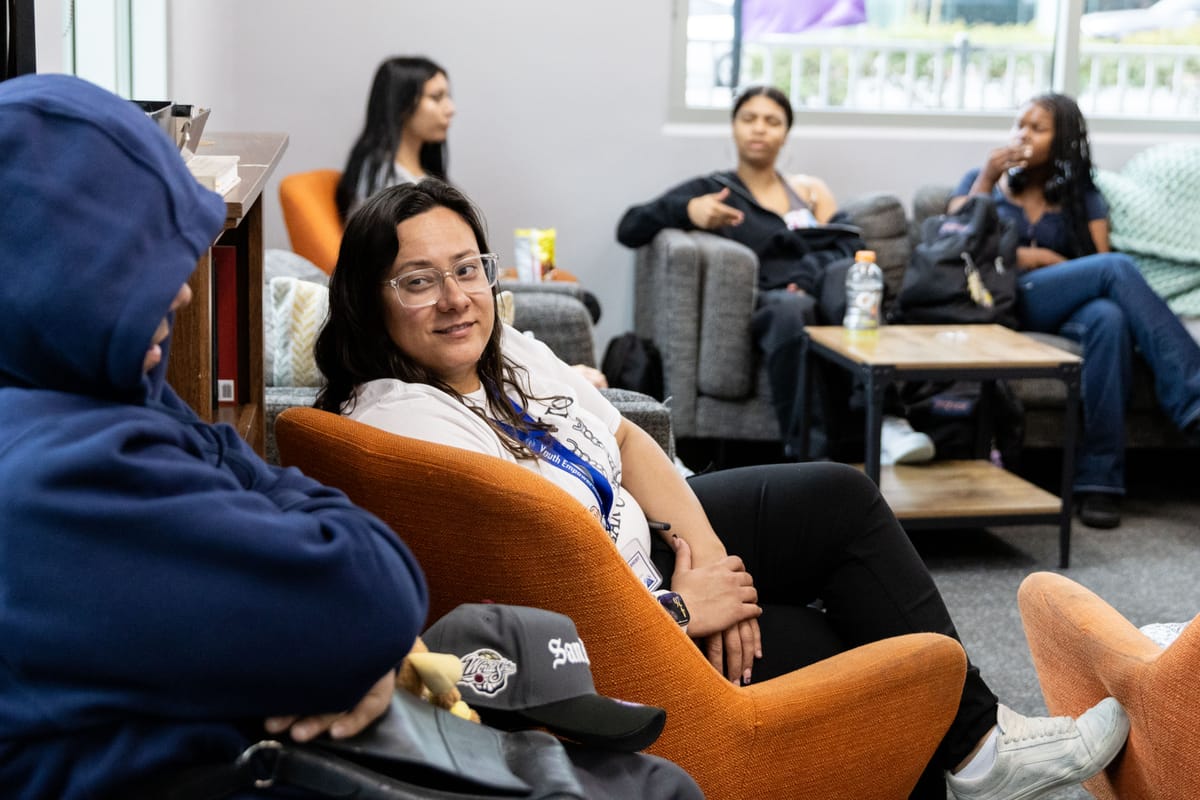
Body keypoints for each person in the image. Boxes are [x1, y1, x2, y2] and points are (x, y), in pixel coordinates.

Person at [313, 177, 1131, 800]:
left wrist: (705, 555)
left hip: (650, 551)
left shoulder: (502, 348)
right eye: (418, 281)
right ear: (368, 299)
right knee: (854, 650)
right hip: (619, 627)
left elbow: (624, 437)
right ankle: (974, 755)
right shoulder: (407, 421)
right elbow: (535, 588)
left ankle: (982, 746)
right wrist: (680, 610)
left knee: (837, 500)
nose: (456, 298)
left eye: (467, 269)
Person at [0, 75, 431, 798]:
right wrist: (355, 644)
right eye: (141, 263)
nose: (184, 292)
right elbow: (373, 595)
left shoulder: (84, 392)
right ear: (50, 270)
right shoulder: (59, 479)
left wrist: (352, 642)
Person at [616, 84, 933, 465]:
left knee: (848, 276)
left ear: (785, 134)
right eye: (749, 119)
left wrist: (813, 270)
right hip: (770, 298)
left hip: (822, 288)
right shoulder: (716, 189)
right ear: (734, 127)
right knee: (791, 309)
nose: (759, 128)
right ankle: (811, 455)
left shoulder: (809, 191)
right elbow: (629, 227)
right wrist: (688, 210)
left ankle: (888, 423)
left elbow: (842, 242)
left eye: (772, 121)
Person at [949, 92, 1200, 529]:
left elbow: (1097, 263)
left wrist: (1056, 265)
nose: (1022, 135)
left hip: (1058, 306)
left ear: (1062, 138)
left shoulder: (1081, 193)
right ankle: (1195, 402)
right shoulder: (981, 180)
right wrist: (989, 181)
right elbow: (955, 241)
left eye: (1037, 128)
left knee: (1109, 319)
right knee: (1117, 268)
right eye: (1019, 124)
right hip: (1004, 298)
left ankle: (1099, 481)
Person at [336, 55, 454, 222]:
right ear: (401, 104)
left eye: (448, 97)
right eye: (436, 97)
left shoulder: (425, 176)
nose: (450, 109)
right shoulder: (380, 181)